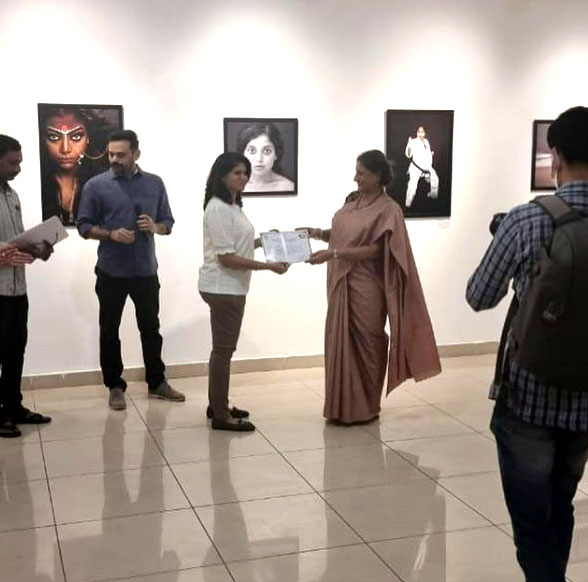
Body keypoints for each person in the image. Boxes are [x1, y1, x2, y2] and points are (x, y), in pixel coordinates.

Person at [466, 106, 588, 582]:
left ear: (555, 155)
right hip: (587, 404)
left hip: (530, 398)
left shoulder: (527, 219)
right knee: (560, 503)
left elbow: (478, 295)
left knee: (531, 522)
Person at [305, 150, 440, 425]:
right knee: (339, 341)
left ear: (378, 176)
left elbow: (378, 249)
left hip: (367, 285)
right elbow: (344, 236)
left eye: (362, 173)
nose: (356, 178)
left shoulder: (389, 209)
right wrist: (319, 234)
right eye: (356, 172)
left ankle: (366, 406)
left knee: (369, 341)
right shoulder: (352, 203)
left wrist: (334, 254)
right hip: (340, 282)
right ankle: (341, 406)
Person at [77, 129, 185, 410]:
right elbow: (84, 227)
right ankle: (115, 385)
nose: (114, 159)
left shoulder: (155, 183)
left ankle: (157, 381)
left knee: (151, 328)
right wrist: (111, 235)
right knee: (109, 329)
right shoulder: (95, 186)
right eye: (111, 154)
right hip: (111, 271)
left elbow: (168, 223)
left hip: (145, 271)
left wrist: (155, 227)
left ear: (136, 154)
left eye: (120, 154)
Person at [199, 152, 289, 431]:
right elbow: (226, 257)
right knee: (223, 351)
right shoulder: (217, 208)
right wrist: (267, 266)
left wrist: (265, 240)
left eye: (245, 173)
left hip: (231, 286)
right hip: (223, 286)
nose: (244, 178)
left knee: (223, 350)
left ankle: (218, 404)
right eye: (237, 172)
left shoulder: (232, 205)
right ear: (222, 175)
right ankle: (221, 414)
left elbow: (239, 244)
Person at [0, 135, 52, 438]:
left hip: (17, 288)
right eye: (12, 163)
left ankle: (13, 406)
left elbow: (17, 237)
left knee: (15, 349)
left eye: (20, 162)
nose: (18, 168)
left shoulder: (12, 195)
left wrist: (36, 248)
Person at [39, 106, 114, 225]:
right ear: (43, 139)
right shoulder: (36, 183)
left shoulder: (103, 183)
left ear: (88, 138)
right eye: (54, 137)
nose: (65, 149)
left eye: (76, 137)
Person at [236, 122, 295, 193]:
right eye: (252, 150)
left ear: (276, 154)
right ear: (243, 154)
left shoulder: (288, 187)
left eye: (267, 151)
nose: (259, 159)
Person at [404, 125, 439, 208]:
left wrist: (430, 154)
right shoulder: (413, 141)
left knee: (435, 179)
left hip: (426, 167)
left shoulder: (426, 141)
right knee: (412, 187)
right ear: (416, 133)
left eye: (422, 132)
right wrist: (409, 145)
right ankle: (407, 205)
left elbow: (426, 153)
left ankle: (433, 197)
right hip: (416, 167)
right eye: (418, 132)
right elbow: (408, 155)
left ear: (424, 133)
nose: (420, 134)